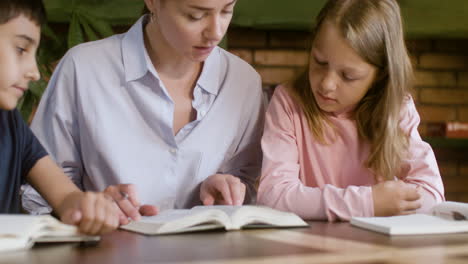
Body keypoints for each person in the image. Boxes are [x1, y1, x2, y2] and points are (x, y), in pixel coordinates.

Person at [22, 0, 264, 223]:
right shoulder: (83, 67)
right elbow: (39, 194)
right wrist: (89, 209)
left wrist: (226, 192)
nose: (216, 32)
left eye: (226, 11)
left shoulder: (243, 82)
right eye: (195, 15)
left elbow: (248, 186)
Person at [257, 0, 444, 221]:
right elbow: (273, 196)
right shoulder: (288, 102)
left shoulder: (397, 109)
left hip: (377, 250)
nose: (326, 84)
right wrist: (368, 203)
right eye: (320, 62)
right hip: (308, 248)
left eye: (348, 76)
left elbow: (432, 194)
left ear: (379, 76)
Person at [0, 0, 119, 234]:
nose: (34, 72)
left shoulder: (10, 122)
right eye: (21, 49)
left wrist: (88, 206)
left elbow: (66, 196)